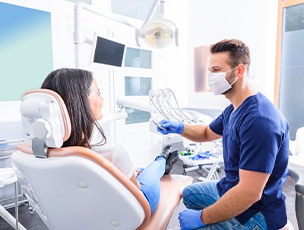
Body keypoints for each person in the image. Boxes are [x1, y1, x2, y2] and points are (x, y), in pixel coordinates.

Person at [157, 39, 290, 230]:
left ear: (239, 71)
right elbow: (205, 132)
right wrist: (178, 128)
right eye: (210, 71)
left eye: (217, 70)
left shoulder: (259, 121)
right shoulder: (234, 109)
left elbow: (249, 194)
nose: (211, 77)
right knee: (188, 194)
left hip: (255, 212)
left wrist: (203, 218)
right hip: (230, 186)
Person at [41, 68, 178, 214]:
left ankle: (146, 167)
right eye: (98, 93)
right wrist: (131, 176)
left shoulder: (42, 153)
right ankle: (162, 159)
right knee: (153, 171)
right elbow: (136, 194)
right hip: (132, 211)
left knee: (140, 170)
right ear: (80, 102)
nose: (102, 99)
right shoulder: (113, 154)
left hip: (80, 214)